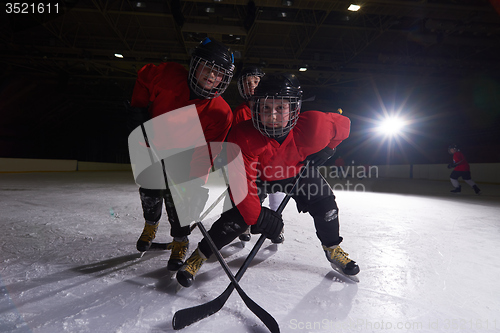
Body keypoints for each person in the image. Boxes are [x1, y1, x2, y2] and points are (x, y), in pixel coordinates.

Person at [176, 73, 360, 288]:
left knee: (326, 204)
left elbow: (344, 125)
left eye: (280, 108)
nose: (272, 115)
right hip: (260, 177)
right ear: (256, 108)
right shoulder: (243, 136)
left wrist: (329, 149)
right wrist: (258, 217)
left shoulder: (314, 126)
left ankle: (332, 249)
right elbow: (242, 184)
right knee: (235, 219)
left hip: (297, 173)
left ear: (294, 109)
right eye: (265, 108)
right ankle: (200, 255)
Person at [127, 37, 235, 272]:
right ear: (195, 65)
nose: (211, 76)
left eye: (218, 73)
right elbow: (144, 77)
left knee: (180, 203)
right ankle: (150, 225)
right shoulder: (167, 75)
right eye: (207, 68)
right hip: (154, 147)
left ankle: (180, 241)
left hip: (185, 158)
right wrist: (138, 107)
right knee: (149, 190)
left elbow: (208, 151)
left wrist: (196, 181)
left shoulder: (221, 112)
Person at [233, 66, 286, 244]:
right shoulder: (241, 111)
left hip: (273, 161)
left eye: (255, 81)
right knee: (253, 195)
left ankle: (277, 225)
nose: (252, 86)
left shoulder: (274, 106)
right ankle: (247, 223)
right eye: (247, 83)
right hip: (254, 164)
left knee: (277, 193)